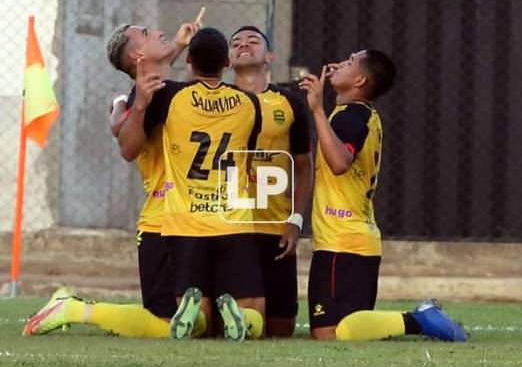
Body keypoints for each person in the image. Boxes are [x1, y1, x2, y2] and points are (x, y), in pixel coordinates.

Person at [24, 12, 208, 339]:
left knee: (199, 322)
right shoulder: (146, 95)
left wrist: (178, 45)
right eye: (149, 33)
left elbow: (141, 95)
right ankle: (73, 309)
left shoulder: (152, 89)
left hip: (188, 218)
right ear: (138, 56)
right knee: (169, 326)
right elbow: (127, 148)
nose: (160, 32)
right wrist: (132, 107)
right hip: (163, 224)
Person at [299, 49, 465, 342]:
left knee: (330, 333)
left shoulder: (350, 117)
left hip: (343, 243)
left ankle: (420, 320)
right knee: (343, 329)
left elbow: (339, 163)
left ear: (360, 80)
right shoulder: (360, 114)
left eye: (350, 62)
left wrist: (316, 110)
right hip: (356, 242)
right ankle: (418, 320)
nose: (340, 63)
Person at [118, 27, 266, 342]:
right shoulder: (249, 103)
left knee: (192, 319)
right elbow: (248, 161)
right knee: (255, 312)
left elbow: (127, 147)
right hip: (233, 221)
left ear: (189, 60)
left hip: (184, 223)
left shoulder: (169, 95)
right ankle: (240, 320)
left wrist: (136, 104)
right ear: (227, 61)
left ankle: (195, 320)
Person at [229, 25, 313, 338]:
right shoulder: (215, 100)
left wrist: (295, 219)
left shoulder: (291, 103)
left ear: (270, 56)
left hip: (276, 228)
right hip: (230, 226)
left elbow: (304, 166)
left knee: (281, 329)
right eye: (236, 43)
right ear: (227, 60)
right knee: (248, 322)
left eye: (252, 41)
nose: (243, 45)